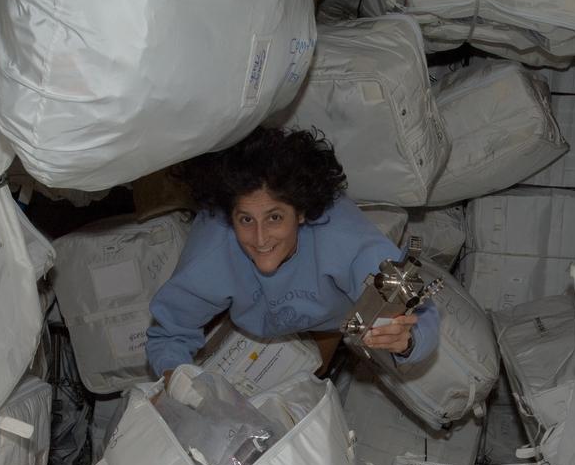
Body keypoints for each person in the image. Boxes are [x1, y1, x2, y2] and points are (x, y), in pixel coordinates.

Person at [145, 127, 439, 379]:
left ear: (301, 213)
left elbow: (420, 312)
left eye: (274, 218)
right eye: (245, 219)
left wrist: (406, 341)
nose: (260, 239)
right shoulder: (212, 251)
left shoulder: (344, 240)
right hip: (243, 318)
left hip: (332, 317)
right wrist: (177, 381)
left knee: (316, 372)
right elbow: (169, 332)